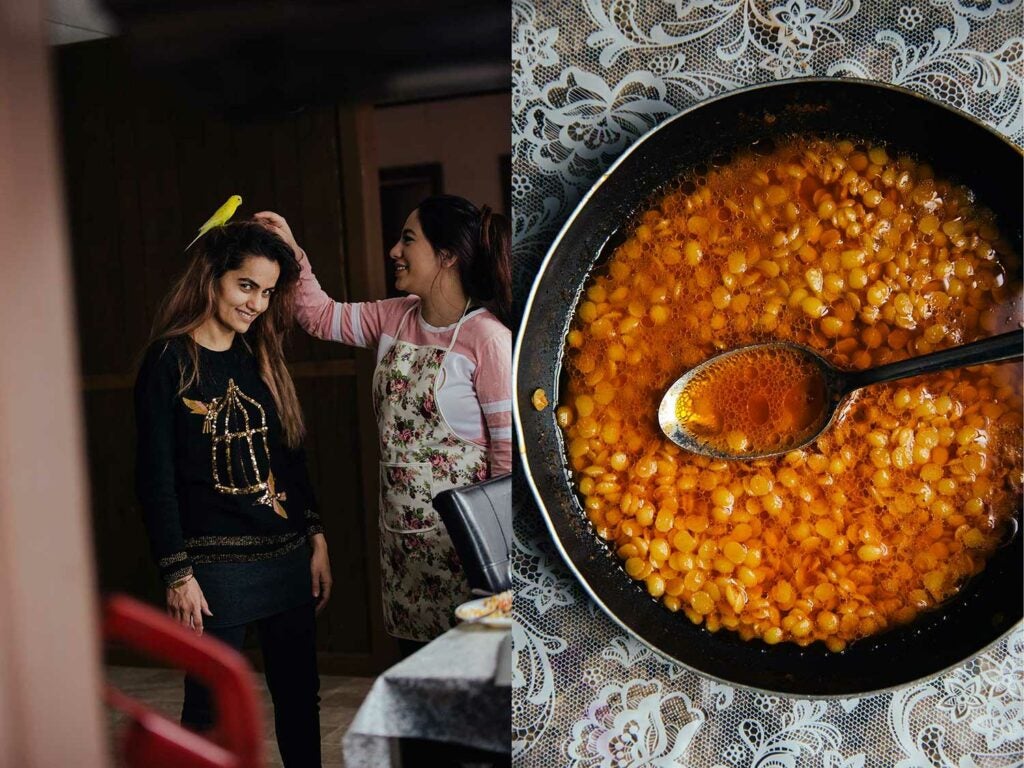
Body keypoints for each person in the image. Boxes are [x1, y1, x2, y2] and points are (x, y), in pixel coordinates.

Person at [255, 195, 512, 655]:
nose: (394, 250)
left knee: (465, 688)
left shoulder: (488, 339)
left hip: (464, 551)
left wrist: (497, 564)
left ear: (447, 256)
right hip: (401, 544)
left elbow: (506, 460)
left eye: (408, 240)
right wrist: (291, 251)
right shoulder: (395, 316)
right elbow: (320, 316)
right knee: (414, 670)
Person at [134, 221, 332, 767]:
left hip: (285, 556)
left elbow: (290, 458)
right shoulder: (169, 361)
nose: (257, 304)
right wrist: (177, 573)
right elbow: (155, 478)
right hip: (213, 570)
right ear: (212, 278)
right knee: (207, 709)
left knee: (299, 698)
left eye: (267, 293)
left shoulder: (261, 356)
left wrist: (315, 536)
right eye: (247, 286)